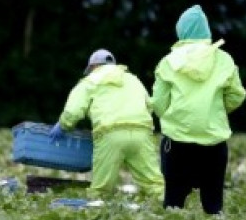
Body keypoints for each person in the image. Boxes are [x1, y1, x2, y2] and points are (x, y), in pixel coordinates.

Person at [150, 4, 246, 215]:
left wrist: (174, 117)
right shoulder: (224, 59)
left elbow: (157, 103)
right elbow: (237, 95)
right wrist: (216, 111)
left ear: (180, 31)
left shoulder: (168, 62)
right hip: (214, 143)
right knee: (213, 206)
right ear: (206, 31)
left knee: (173, 204)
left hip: (176, 143)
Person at [48, 48, 165, 199]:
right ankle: (171, 212)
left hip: (110, 135)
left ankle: (95, 215)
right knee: (155, 184)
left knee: (100, 189)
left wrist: (63, 125)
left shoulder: (90, 81)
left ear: (93, 67)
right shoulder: (133, 79)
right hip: (141, 134)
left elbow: (73, 111)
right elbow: (149, 105)